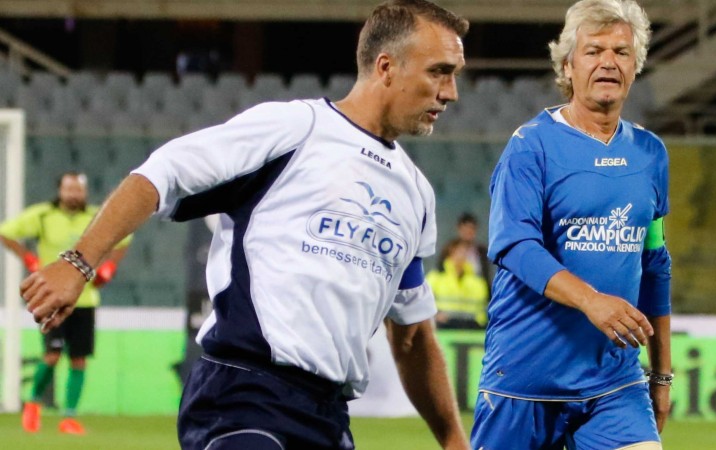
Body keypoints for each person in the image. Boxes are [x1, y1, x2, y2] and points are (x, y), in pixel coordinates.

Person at [20, 1, 471, 449]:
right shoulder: (296, 128)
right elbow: (162, 173)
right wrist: (78, 262)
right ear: (386, 66)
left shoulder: (416, 194)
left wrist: (452, 438)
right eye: (439, 71)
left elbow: (411, 334)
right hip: (244, 393)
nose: (450, 92)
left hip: (328, 417)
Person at [471, 1, 672, 449]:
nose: (608, 62)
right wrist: (592, 301)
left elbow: (655, 262)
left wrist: (661, 372)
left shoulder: (650, 154)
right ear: (567, 64)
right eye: (593, 50)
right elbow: (515, 246)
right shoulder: (530, 147)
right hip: (524, 380)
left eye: (621, 52)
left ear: (634, 67)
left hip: (614, 383)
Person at [0, 171, 131, 435]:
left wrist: (109, 267)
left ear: (84, 192)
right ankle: (34, 403)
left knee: (79, 359)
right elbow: (6, 232)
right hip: (53, 297)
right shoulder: (43, 216)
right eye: (69, 189)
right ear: (60, 190)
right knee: (52, 354)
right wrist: (28, 259)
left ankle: (69, 417)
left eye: (78, 190)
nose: (74, 194)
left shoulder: (96, 216)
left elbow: (124, 238)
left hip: (86, 299)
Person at [427, 238, 489, 329]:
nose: (461, 256)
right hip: (442, 327)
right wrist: (436, 316)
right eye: (457, 252)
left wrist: (479, 321)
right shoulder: (435, 278)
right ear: (449, 254)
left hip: (472, 328)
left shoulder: (478, 282)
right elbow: (424, 303)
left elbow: (482, 308)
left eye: (464, 252)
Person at [438, 212, 492, 295]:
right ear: (459, 229)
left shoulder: (482, 252)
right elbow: (440, 273)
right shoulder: (448, 249)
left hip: (476, 296)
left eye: (471, 228)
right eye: (465, 228)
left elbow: (486, 276)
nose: (468, 232)